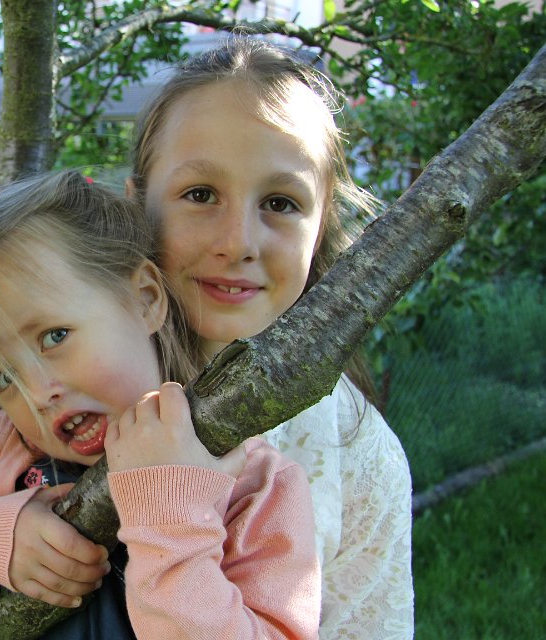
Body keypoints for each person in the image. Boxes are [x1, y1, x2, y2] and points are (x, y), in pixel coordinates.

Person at [0, 170, 321, 639]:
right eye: (3, 378)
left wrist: (170, 523)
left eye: (54, 337)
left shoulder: (251, 482)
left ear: (144, 299)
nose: (37, 394)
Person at [125, 37, 415, 638]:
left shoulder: (358, 455)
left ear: (321, 225)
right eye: (200, 194)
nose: (238, 242)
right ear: (137, 206)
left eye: (280, 202)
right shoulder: (71, 377)